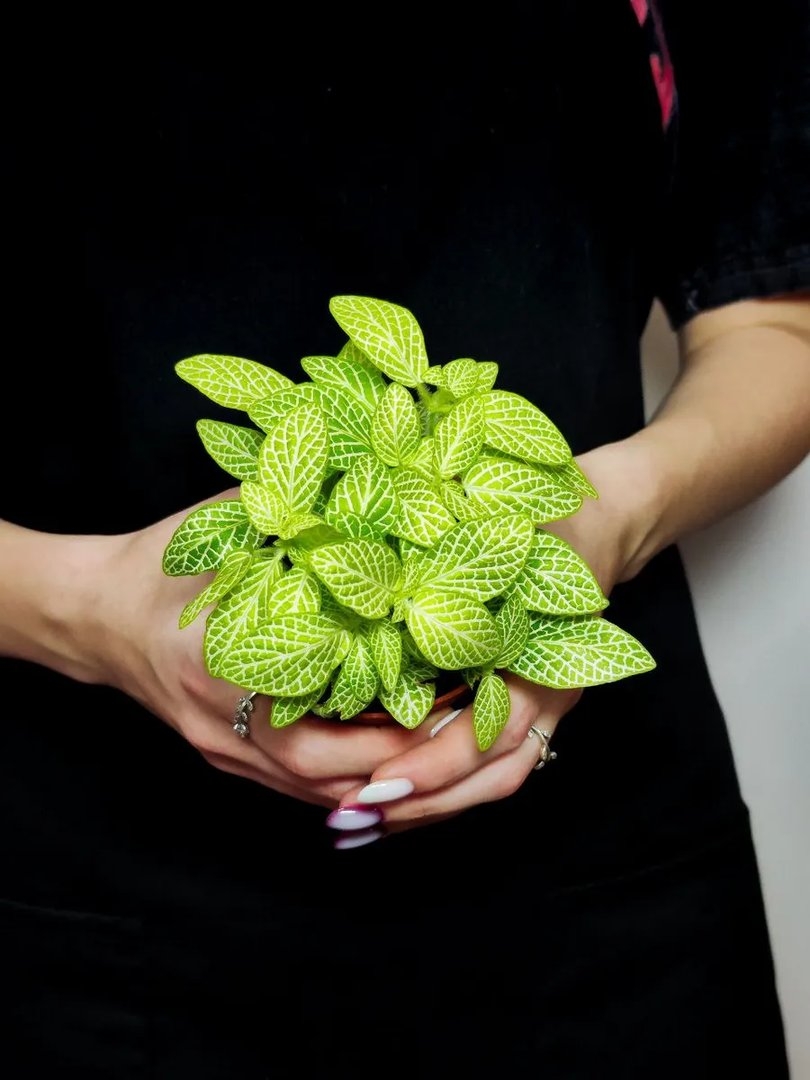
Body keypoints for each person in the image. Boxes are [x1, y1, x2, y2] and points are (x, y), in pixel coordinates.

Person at [1, 2, 808, 1075]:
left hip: (603, 893)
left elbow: (776, 319)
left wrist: (604, 515)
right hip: (84, 901)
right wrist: (81, 604)